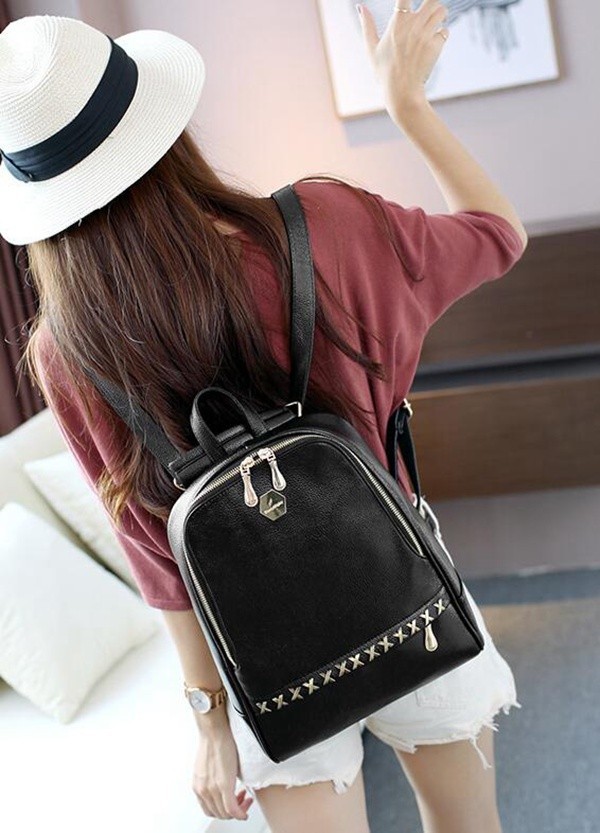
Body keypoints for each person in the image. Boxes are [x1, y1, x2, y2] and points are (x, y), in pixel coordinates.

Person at [1, 2, 527, 831]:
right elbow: (497, 234)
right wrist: (407, 105)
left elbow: (157, 556)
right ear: (162, 129)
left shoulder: (68, 354)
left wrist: (209, 722)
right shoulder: (325, 225)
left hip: (260, 662)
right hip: (407, 593)